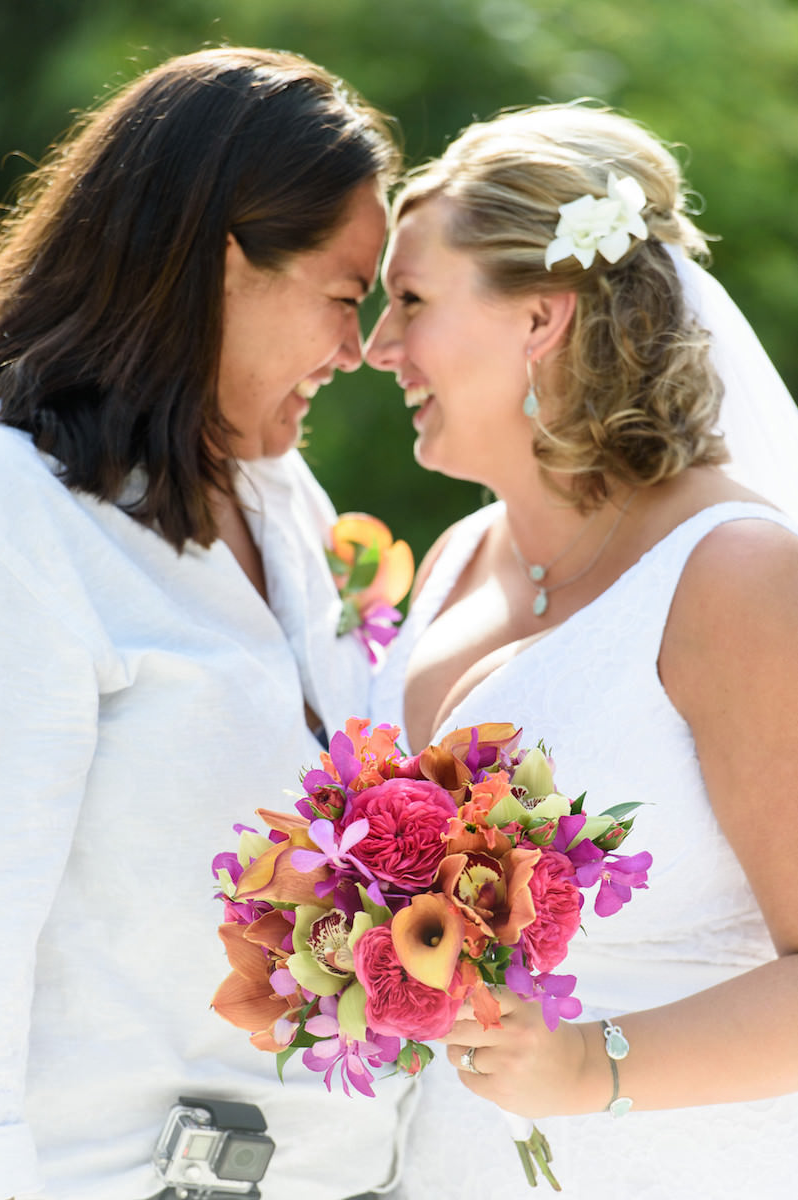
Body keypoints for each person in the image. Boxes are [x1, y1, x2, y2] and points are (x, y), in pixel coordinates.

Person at [0, 47, 417, 1200]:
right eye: (344, 295)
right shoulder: (19, 517)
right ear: (225, 263)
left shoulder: (284, 499)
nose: (355, 351)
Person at [365, 103, 798, 1198]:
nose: (377, 348)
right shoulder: (462, 555)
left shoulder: (736, 574)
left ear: (541, 319)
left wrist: (588, 1066)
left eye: (409, 302)